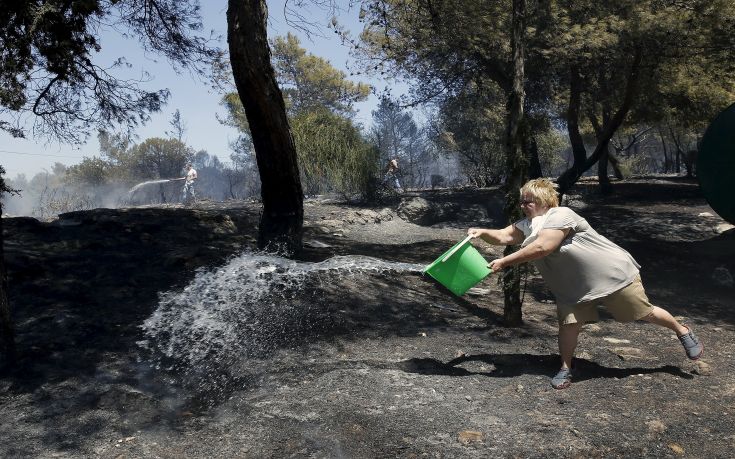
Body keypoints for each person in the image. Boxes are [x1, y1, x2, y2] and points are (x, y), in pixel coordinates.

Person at [467, 178, 703, 389]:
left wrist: (505, 261)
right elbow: (503, 236)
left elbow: (543, 247)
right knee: (568, 325)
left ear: (544, 200)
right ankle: (566, 368)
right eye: (522, 202)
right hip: (572, 287)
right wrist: (481, 232)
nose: (523, 206)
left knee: (643, 313)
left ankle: (682, 331)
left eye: (528, 201)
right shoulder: (528, 225)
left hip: (610, 276)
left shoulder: (560, 215)